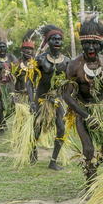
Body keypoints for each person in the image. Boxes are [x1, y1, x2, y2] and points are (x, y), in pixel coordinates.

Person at [63, 17, 103, 187]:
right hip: (82, 112)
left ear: (100, 44)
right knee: (88, 149)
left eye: (94, 43)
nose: (91, 47)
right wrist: (85, 116)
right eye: (87, 43)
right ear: (81, 44)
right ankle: (90, 185)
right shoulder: (74, 65)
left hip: (101, 111)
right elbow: (67, 96)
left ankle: (90, 166)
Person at [28, 25, 71, 171]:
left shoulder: (66, 61)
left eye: (59, 39)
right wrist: (32, 102)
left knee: (61, 128)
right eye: (54, 39)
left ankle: (53, 160)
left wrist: (71, 100)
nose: (57, 41)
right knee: (37, 127)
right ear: (48, 41)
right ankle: (33, 150)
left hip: (57, 98)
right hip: (41, 98)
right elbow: (30, 80)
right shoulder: (40, 59)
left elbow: (70, 82)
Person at [14, 29, 36, 94]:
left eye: (31, 49)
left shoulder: (36, 62)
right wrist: (12, 94)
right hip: (19, 94)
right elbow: (11, 81)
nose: (29, 51)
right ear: (22, 50)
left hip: (32, 95)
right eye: (26, 49)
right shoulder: (16, 63)